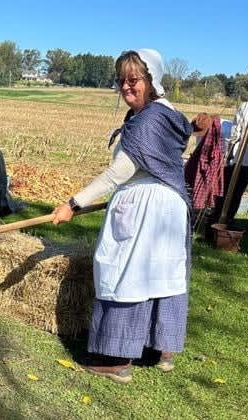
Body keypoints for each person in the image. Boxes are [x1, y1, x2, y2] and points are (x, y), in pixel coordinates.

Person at [51, 49, 193, 384]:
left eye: (134, 80)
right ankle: (161, 349)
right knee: (163, 272)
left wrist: (73, 203)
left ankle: (116, 359)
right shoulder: (167, 113)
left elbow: (119, 172)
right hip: (171, 206)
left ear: (152, 80)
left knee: (128, 273)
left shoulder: (150, 119)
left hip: (145, 206)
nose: (126, 88)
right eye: (122, 81)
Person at [213, 98, 248, 237]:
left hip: (244, 154)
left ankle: (227, 219)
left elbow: (235, 133)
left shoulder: (246, 106)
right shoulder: (246, 106)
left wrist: (229, 148)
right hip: (246, 154)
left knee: (235, 190)